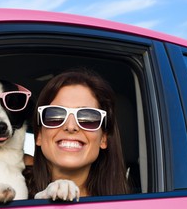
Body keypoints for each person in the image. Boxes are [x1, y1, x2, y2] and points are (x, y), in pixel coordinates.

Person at [26, 68, 131, 201]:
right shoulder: (10, 191)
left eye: (88, 118)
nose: (71, 127)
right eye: (55, 115)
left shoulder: (130, 208)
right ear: (39, 135)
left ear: (103, 138)